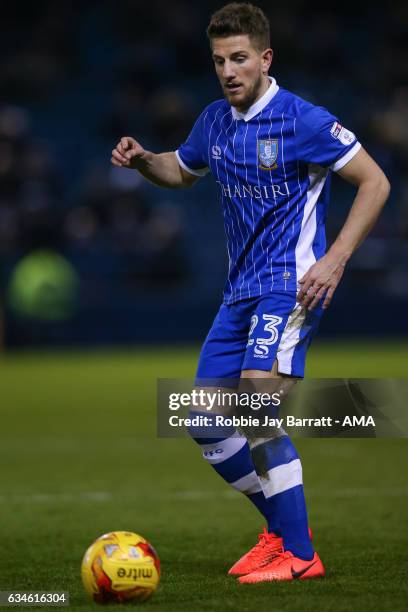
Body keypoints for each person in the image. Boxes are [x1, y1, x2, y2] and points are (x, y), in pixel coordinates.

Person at [110, 2, 390, 583]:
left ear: (265, 59)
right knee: (206, 420)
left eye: (239, 59)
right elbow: (179, 171)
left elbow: (375, 181)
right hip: (238, 292)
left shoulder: (303, 120)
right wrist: (143, 162)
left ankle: (301, 555)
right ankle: (281, 532)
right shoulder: (214, 120)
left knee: (257, 402)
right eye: (219, 61)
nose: (229, 71)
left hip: (289, 288)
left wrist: (335, 259)